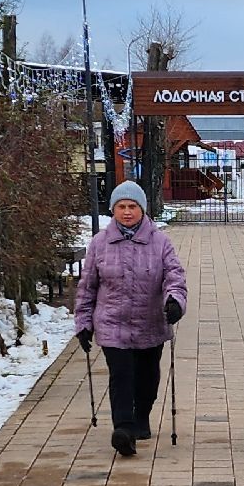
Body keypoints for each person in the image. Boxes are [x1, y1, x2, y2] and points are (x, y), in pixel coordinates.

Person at [75, 179, 188, 457]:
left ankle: (142, 416)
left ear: (143, 209)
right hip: (112, 324)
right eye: (121, 206)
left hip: (150, 323)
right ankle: (123, 429)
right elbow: (87, 286)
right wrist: (83, 323)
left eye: (133, 206)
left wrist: (175, 301)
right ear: (113, 210)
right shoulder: (100, 244)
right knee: (121, 375)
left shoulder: (160, 242)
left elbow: (175, 277)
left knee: (147, 378)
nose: (127, 212)